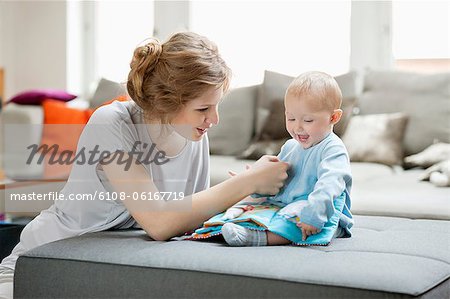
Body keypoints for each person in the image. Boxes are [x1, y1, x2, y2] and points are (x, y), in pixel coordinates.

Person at [0, 32, 289, 298]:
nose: (214, 120)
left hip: (114, 268)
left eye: (216, 106)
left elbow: (190, 221)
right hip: (43, 266)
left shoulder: (195, 136)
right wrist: (244, 183)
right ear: (166, 101)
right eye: (203, 109)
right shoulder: (111, 123)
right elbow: (160, 222)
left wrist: (251, 198)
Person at [220, 71, 353, 246]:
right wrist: (254, 183)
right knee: (254, 207)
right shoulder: (291, 146)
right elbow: (276, 179)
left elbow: (329, 185)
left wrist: (313, 216)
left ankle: (256, 238)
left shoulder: (333, 149)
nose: (297, 127)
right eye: (291, 118)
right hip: (286, 205)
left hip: (321, 213)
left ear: (333, 117)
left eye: (307, 120)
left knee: (294, 222)